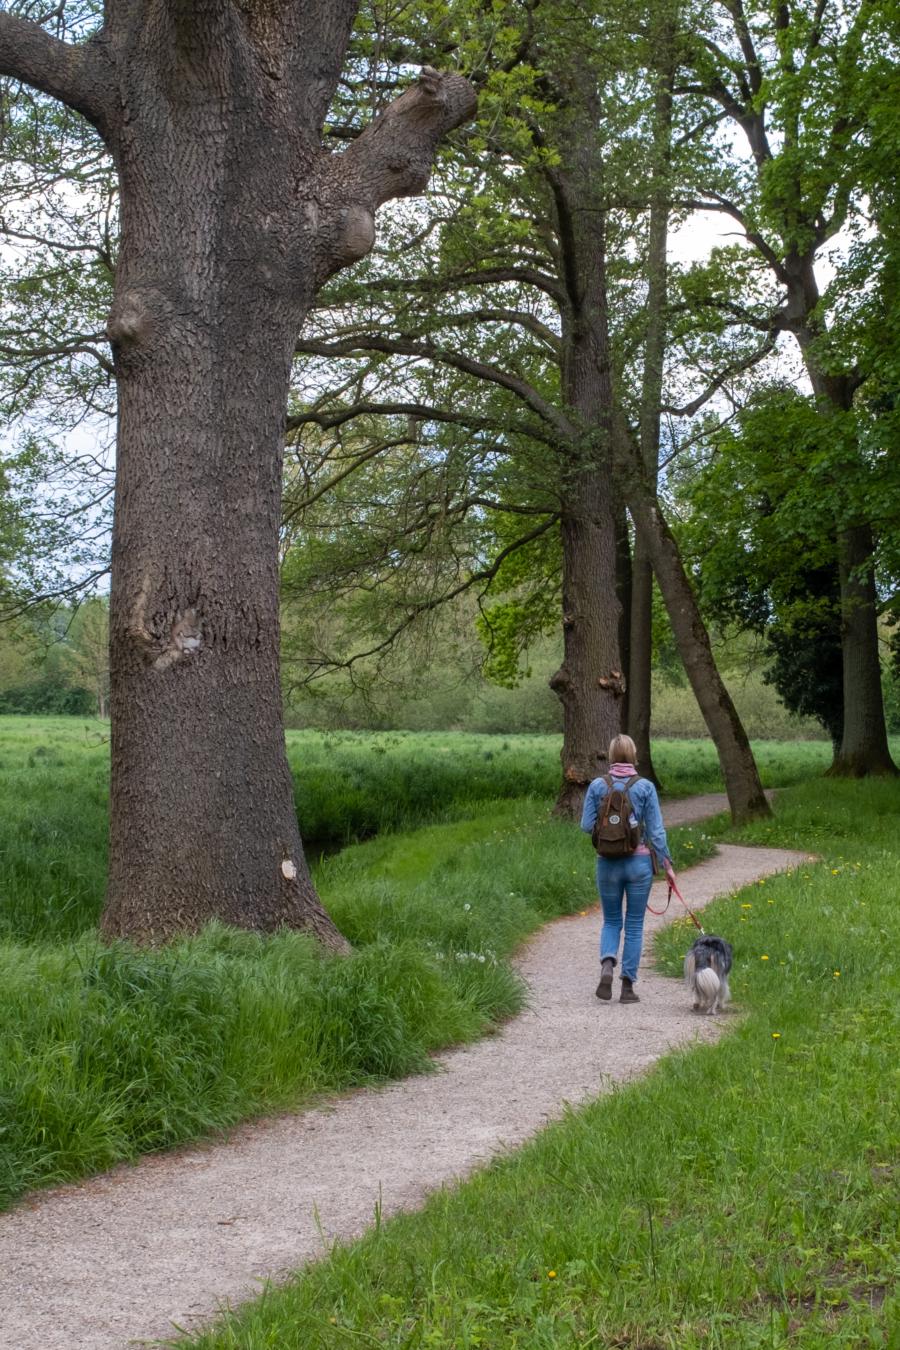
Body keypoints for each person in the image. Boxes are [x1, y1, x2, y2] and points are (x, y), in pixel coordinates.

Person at [580, 734, 676, 1004]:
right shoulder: (645, 787)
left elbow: (586, 825)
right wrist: (667, 864)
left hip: (607, 864)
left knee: (611, 921)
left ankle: (607, 964)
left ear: (611, 756)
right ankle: (627, 987)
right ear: (634, 755)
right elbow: (656, 831)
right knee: (634, 924)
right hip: (639, 864)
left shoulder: (598, 785)